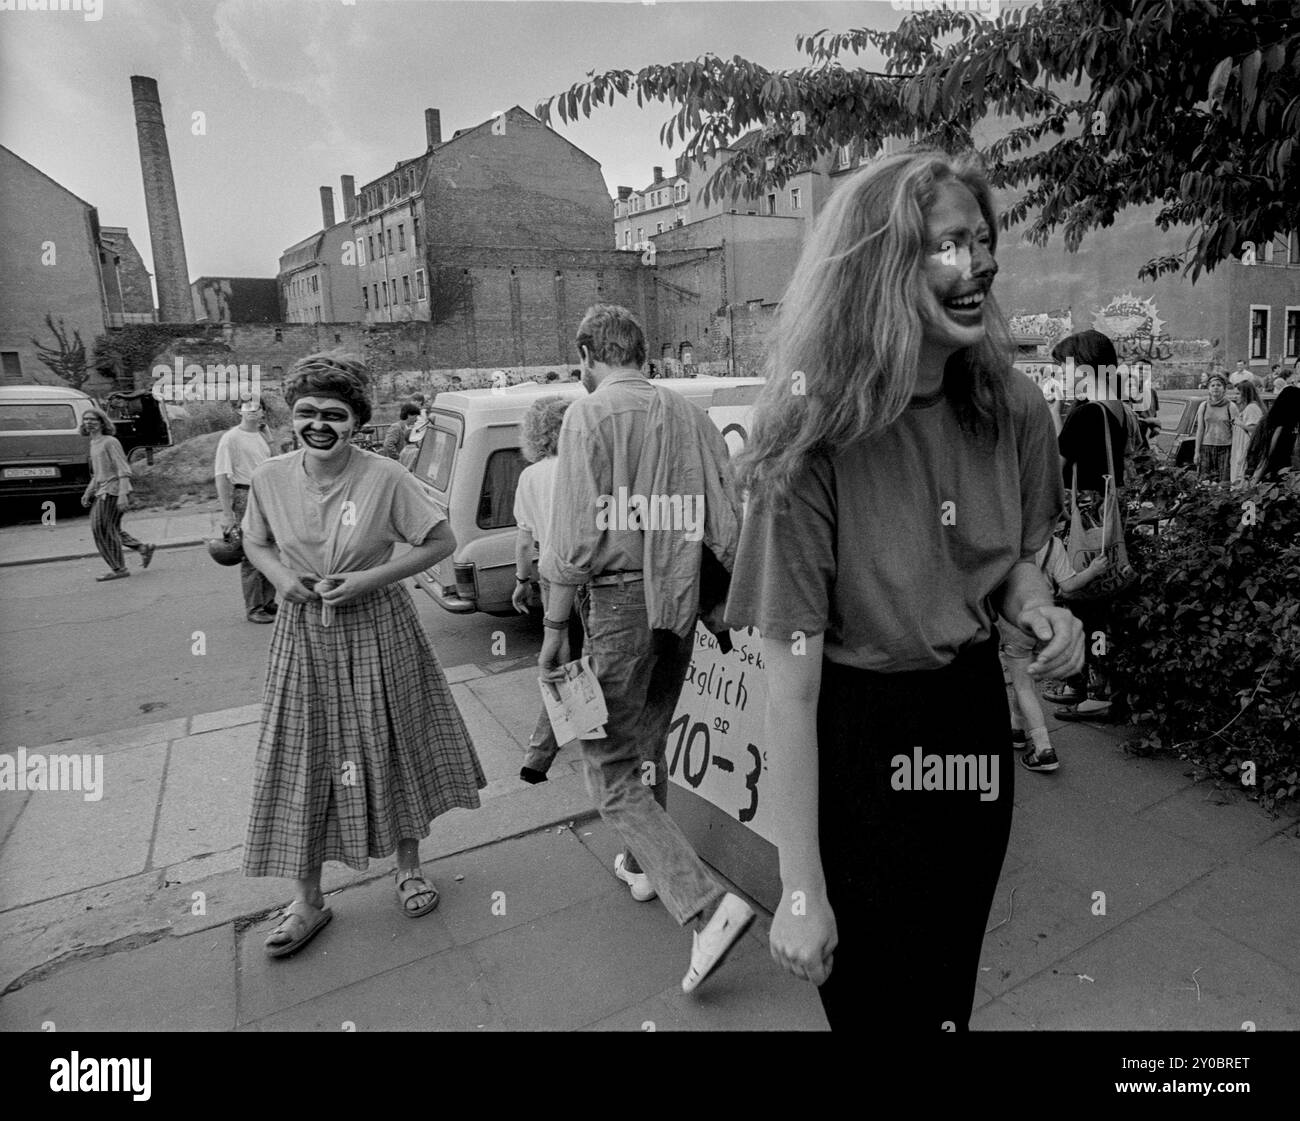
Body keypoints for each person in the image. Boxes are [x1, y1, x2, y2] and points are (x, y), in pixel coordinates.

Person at [724, 150, 1083, 1031]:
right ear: (881, 264)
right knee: (875, 1000)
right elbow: (791, 688)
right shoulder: (808, 438)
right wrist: (799, 883)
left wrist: (1038, 608)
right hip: (855, 737)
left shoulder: (1015, 406)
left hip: (966, 723)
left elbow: (1009, 565)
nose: (980, 263)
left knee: (948, 985)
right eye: (947, 245)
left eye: (984, 240)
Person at [240, 352, 487, 958]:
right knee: (303, 755)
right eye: (306, 413)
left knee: (392, 740)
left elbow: (441, 540)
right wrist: (277, 576)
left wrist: (369, 579)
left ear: (356, 420)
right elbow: (254, 537)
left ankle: (409, 867)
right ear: (290, 418)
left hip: (379, 626)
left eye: (334, 413)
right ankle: (308, 899)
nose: (319, 424)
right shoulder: (271, 477)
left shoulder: (385, 476)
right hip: (303, 632)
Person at [539, 304, 755, 994]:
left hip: (620, 601)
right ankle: (642, 861)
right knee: (649, 736)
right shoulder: (689, 413)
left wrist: (551, 633)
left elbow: (572, 539)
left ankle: (706, 906)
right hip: (681, 593)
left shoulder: (590, 414)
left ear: (587, 354)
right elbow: (729, 517)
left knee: (606, 766)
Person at [510, 395, 584, 783]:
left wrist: (522, 581)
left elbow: (524, 542)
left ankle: (538, 758)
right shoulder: (583, 468)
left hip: (550, 575)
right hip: (586, 577)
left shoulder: (531, 476)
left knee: (557, 662)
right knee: (580, 661)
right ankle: (552, 750)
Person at [1000, 534, 1108, 773]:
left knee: (1022, 686)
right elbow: (1069, 585)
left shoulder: (1006, 538)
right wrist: (1093, 570)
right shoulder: (1053, 543)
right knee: (1025, 682)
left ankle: (1043, 750)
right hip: (1047, 620)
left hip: (1015, 622)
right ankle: (1016, 729)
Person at [215, 400, 276, 622]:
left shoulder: (262, 436)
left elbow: (274, 465)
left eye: (257, 408)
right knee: (251, 551)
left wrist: (269, 438)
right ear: (238, 411)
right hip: (245, 494)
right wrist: (226, 514)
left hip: (267, 494)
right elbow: (221, 475)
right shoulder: (231, 438)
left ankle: (269, 602)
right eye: (247, 408)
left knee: (271, 549)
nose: (253, 412)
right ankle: (254, 607)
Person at [80, 407, 156, 581]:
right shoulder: (94, 443)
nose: (89, 422)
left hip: (113, 491)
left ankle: (118, 568)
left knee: (99, 528)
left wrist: (122, 494)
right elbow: (98, 474)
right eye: (86, 419)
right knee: (111, 528)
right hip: (103, 490)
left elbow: (123, 469)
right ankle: (143, 549)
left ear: (102, 422)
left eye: (93, 419)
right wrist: (88, 492)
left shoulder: (110, 442)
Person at [1250, 385, 1300, 482]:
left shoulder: (1271, 422)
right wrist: (1255, 479)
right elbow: (1267, 455)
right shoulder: (1281, 427)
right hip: (1280, 475)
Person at [1194, 374, 1237, 482]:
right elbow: (1200, 430)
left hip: (1225, 448)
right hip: (1207, 447)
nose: (1215, 387)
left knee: (1224, 482)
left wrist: (1236, 453)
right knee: (1205, 482)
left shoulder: (1230, 406)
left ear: (1224, 389)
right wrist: (1197, 452)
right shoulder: (1203, 406)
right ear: (1208, 389)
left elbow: (1236, 431)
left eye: (1219, 385)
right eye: (1212, 385)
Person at [1230, 379, 1266, 484]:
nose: (1235, 397)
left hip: (1246, 451)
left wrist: (1238, 423)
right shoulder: (1248, 408)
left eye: (1238, 393)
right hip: (1242, 450)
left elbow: (1254, 430)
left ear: (1245, 394)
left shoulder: (1252, 408)